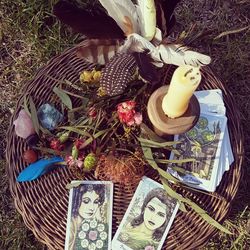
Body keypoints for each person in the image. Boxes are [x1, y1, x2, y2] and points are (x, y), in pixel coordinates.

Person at [68, 184, 107, 250]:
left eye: (96, 202)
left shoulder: (89, 223)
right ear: (77, 201)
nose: (92, 208)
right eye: (86, 201)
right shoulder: (71, 228)